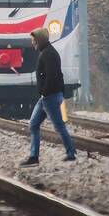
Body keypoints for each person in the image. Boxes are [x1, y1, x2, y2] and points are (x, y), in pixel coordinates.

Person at [20, 26, 77, 166]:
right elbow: (58, 75)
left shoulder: (48, 54)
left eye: (34, 40)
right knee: (33, 125)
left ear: (39, 40)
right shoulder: (48, 52)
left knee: (59, 126)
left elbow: (52, 76)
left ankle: (70, 153)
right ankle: (34, 157)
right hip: (47, 97)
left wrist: (45, 92)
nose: (32, 42)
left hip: (49, 97)